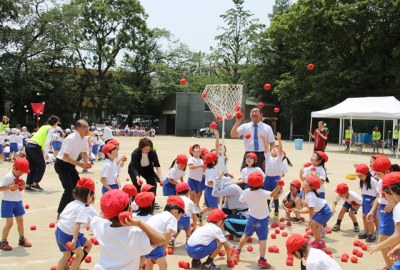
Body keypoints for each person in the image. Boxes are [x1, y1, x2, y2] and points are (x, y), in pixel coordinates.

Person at [90, 189, 164, 270]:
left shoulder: (100, 226)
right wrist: (140, 223)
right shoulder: (134, 235)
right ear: (129, 210)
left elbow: (98, 218)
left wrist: (109, 212)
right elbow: (160, 240)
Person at [234, 172, 283, 268]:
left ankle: (237, 251)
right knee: (263, 240)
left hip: (252, 218)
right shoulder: (263, 193)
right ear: (262, 183)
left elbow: (240, 200)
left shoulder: (246, 191)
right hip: (263, 220)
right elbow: (273, 195)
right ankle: (261, 259)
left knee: (246, 235)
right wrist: (278, 187)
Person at [55, 178, 97, 270]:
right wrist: (74, 240)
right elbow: (77, 224)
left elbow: (60, 217)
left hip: (59, 232)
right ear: (89, 194)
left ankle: (68, 266)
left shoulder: (71, 203)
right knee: (80, 254)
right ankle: (73, 267)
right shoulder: (81, 208)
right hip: (69, 235)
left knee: (67, 255)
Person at [55, 119, 90, 216]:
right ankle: (61, 213)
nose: (87, 129)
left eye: (87, 127)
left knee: (79, 188)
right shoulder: (70, 139)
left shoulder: (85, 138)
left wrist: (86, 162)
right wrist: (80, 164)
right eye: (84, 127)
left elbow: (84, 152)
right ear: (77, 128)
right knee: (69, 190)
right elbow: (65, 157)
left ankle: (76, 210)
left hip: (71, 165)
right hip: (61, 164)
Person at [366, 156, 394, 269]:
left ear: (387, 171)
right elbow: (379, 196)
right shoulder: (381, 181)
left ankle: (391, 266)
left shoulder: (394, 182)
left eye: (378, 173)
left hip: (390, 213)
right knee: (389, 242)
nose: (376, 176)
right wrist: (372, 211)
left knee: (382, 241)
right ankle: (391, 265)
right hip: (382, 211)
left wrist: (392, 205)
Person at [368, 172, 400, 269]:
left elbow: (398, 235)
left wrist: (378, 246)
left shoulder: (398, 208)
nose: (385, 197)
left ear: (392, 191)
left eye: (385, 194)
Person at [144, 196, 185, 270]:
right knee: (163, 266)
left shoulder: (158, 215)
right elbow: (168, 233)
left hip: (143, 241)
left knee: (149, 263)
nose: (179, 219)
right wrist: (164, 246)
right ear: (175, 212)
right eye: (180, 216)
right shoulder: (172, 218)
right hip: (155, 243)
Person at [0, 158, 32, 251]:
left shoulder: (20, 177)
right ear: (15, 168)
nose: (22, 174)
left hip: (18, 201)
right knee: (9, 223)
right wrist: (10, 187)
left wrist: (23, 186)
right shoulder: (8, 177)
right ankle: (3, 242)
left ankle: (22, 239)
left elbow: (21, 188)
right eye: (21, 172)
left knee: (20, 221)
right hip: (7, 202)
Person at [260, 132, 292, 220]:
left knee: (275, 196)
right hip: (267, 178)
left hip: (276, 179)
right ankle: (266, 212)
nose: (274, 149)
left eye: (276, 149)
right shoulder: (268, 157)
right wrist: (264, 140)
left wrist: (279, 140)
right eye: (273, 148)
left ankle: (276, 211)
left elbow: (280, 149)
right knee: (267, 196)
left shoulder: (279, 159)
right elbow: (266, 148)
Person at [294, 176, 332, 249]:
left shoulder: (311, 196)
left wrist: (311, 219)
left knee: (312, 225)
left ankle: (320, 242)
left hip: (325, 212)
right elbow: (304, 205)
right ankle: (317, 240)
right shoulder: (307, 193)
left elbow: (310, 210)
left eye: (306, 181)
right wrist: (299, 210)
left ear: (311, 187)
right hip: (320, 211)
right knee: (311, 225)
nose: (304, 182)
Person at [25, 115, 60, 191]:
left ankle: (28, 184)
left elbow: (42, 138)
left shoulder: (43, 126)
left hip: (28, 145)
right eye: (57, 123)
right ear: (55, 123)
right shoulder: (50, 129)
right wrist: (46, 153)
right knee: (42, 165)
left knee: (32, 166)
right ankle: (35, 183)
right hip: (35, 147)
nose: (57, 125)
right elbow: (47, 142)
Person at [128, 137, 162, 208]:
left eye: (148, 149)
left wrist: (161, 177)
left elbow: (157, 165)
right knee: (137, 185)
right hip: (135, 169)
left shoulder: (152, 152)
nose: (147, 150)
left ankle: (152, 201)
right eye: (145, 149)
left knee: (152, 183)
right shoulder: (135, 153)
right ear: (140, 148)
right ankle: (136, 202)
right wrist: (137, 178)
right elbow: (133, 167)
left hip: (147, 168)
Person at [168, 182, 198, 248]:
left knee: (177, 230)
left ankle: (171, 243)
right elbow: (194, 217)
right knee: (188, 230)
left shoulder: (175, 199)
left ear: (177, 192)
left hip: (175, 219)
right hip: (185, 219)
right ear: (188, 192)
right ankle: (188, 241)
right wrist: (194, 228)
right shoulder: (190, 201)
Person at [355, 164, 378, 242]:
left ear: (366, 174)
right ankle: (366, 231)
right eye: (358, 175)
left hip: (371, 200)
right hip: (365, 199)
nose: (359, 177)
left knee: (369, 218)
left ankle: (372, 234)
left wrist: (375, 201)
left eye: (360, 175)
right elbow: (362, 191)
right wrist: (362, 201)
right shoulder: (360, 181)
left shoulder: (373, 181)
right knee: (364, 216)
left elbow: (379, 193)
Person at [187, 144, 204, 212]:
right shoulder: (191, 159)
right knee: (192, 197)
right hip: (192, 180)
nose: (198, 149)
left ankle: (194, 210)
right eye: (196, 148)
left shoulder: (201, 160)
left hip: (199, 181)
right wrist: (200, 165)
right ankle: (189, 210)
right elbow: (191, 167)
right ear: (192, 151)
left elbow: (202, 170)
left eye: (199, 148)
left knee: (197, 196)